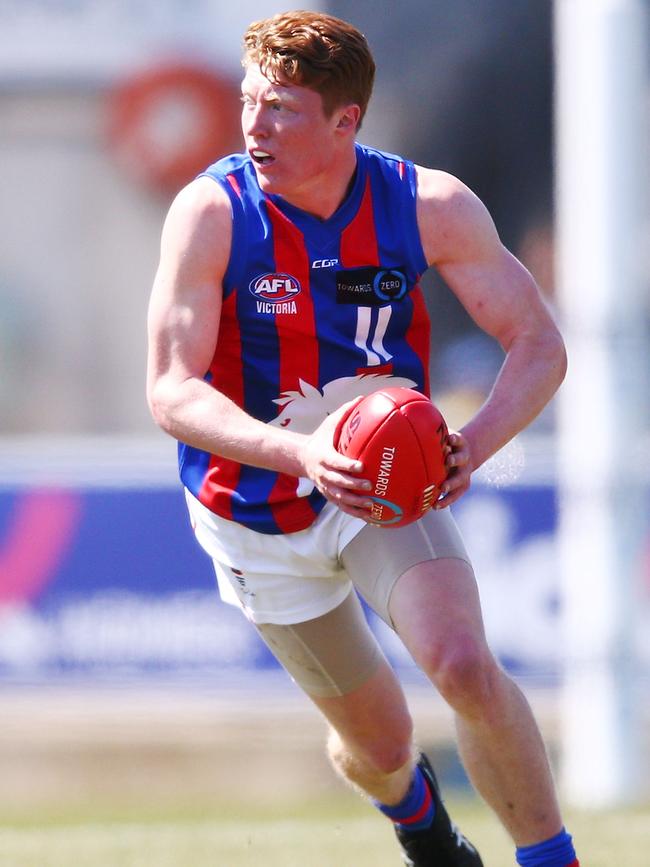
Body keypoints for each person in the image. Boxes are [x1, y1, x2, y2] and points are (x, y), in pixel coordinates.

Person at [146, 11, 578, 867]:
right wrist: (301, 452)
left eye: (281, 108)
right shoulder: (212, 212)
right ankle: (416, 814)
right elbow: (170, 388)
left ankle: (551, 859)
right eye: (248, 103)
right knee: (379, 744)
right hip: (255, 510)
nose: (253, 126)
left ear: (346, 121)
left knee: (461, 663)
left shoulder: (428, 204)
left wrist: (474, 443)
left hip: (385, 485)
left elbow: (540, 345)